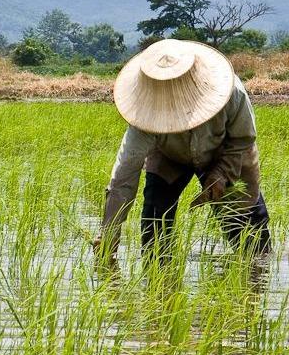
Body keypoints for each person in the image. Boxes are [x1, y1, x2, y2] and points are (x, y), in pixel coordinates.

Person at [95, 38, 269, 268]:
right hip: (168, 156)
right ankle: (160, 285)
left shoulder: (231, 93)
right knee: (155, 224)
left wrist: (220, 173)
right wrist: (109, 233)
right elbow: (124, 177)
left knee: (250, 234)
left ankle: (256, 275)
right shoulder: (144, 117)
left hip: (225, 153)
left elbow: (243, 139)